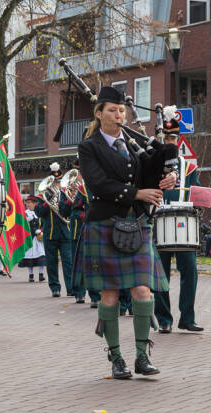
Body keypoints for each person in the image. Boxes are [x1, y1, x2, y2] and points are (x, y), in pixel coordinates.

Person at [77, 85, 176, 380]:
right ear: (99, 113)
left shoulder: (134, 143)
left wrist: (164, 180)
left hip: (135, 223)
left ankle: (142, 356)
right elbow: (98, 185)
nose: (119, 115)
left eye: (122, 110)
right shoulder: (89, 147)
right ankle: (116, 357)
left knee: (142, 290)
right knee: (109, 294)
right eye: (113, 110)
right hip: (105, 222)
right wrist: (137, 194)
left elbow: (147, 177)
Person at [154, 106, 204, 334]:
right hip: (159, 223)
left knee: (190, 271)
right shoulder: (151, 163)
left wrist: (202, 201)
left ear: (179, 139)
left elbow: (197, 191)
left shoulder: (190, 166)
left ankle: (187, 317)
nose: (170, 141)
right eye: (166, 137)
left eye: (173, 137)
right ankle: (163, 318)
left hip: (183, 223)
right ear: (160, 138)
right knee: (160, 273)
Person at [35, 162, 74, 298]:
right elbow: (39, 212)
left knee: (68, 262)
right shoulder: (42, 196)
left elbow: (68, 212)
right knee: (51, 262)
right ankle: (55, 288)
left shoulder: (66, 194)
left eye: (58, 182)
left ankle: (70, 288)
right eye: (54, 182)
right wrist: (48, 202)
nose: (56, 185)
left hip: (65, 232)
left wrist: (65, 201)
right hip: (50, 233)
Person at [69, 160, 100, 307]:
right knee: (87, 263)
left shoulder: (102, 184)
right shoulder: (82, 190)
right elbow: (75, 211)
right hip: (88, 228)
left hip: (103, 228)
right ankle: (86, 295)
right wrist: (85, 216)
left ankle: (99, 296)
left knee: (100, 264)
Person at [18, 195, 46, 282]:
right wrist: (26, 221)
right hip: (29, 238)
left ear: (34, 204)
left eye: (30, 203)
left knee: (41, 254)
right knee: (29, 256)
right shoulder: (25, 213)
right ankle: (31, 275)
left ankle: (41, 274)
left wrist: (40, 230)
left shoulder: (39, 212)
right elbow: (21, 225)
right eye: (27, 203)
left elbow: (44, 223)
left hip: (38, 238)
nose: (28, 204)